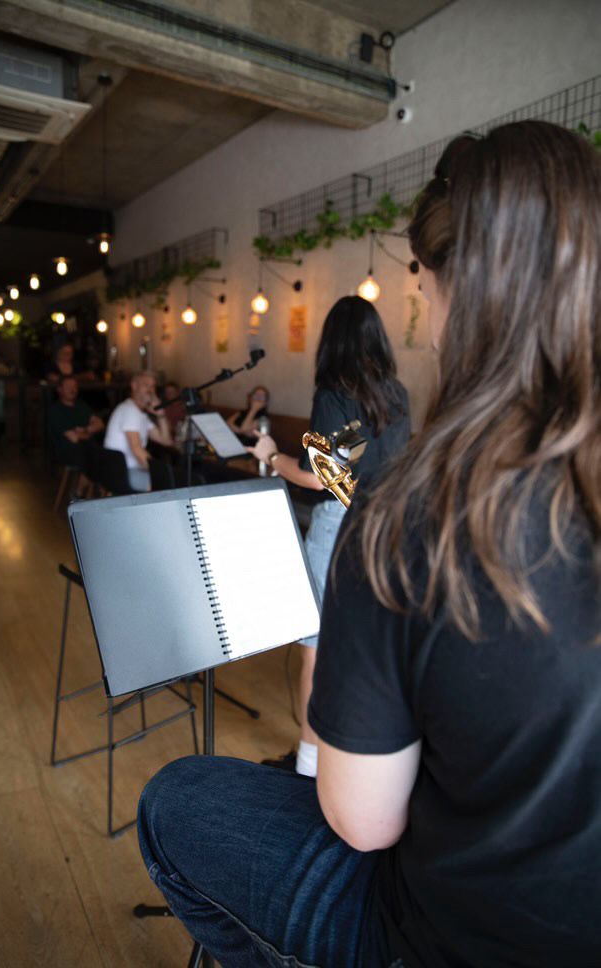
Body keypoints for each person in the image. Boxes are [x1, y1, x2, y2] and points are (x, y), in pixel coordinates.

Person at [136, 121, 601, 967]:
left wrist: (272, 457)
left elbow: (364, 823)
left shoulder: (396, 501)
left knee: (177, 799)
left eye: (420, 284)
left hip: (446, 933)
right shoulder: (387, 393)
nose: (418, 313)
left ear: (463, 289)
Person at [251, 296, 410, 778]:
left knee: (316, 649)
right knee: (364, 644)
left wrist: (272, 456)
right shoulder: (396, 394)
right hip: (385, 527)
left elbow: (323, 478)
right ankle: (353, 761)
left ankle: (307, 767)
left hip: (339, 526)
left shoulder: (333, 394)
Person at [103, 371, 173, 491]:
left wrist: (161, 415)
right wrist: (160, 473)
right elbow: (137, 450)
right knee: (165, 485)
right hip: (122, 473)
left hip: (125, 470)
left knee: (168, 481)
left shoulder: (140, 414)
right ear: (134, 386)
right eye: (146, 385)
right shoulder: (130, 411)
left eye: (153, 386)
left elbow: (166, 441)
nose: (150, 390)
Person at [49, 375, 104, 495]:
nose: (72, 389)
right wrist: (89, 431)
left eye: (74, 386)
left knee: (104, 454)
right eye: (68, 386)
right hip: (67, 451)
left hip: (87, 447)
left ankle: (96, 489)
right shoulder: (55, 411)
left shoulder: (81, 406)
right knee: (92, 456)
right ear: (59, 389)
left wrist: (84, 431)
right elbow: (73, 438)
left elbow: (99, 423)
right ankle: (80, 492)